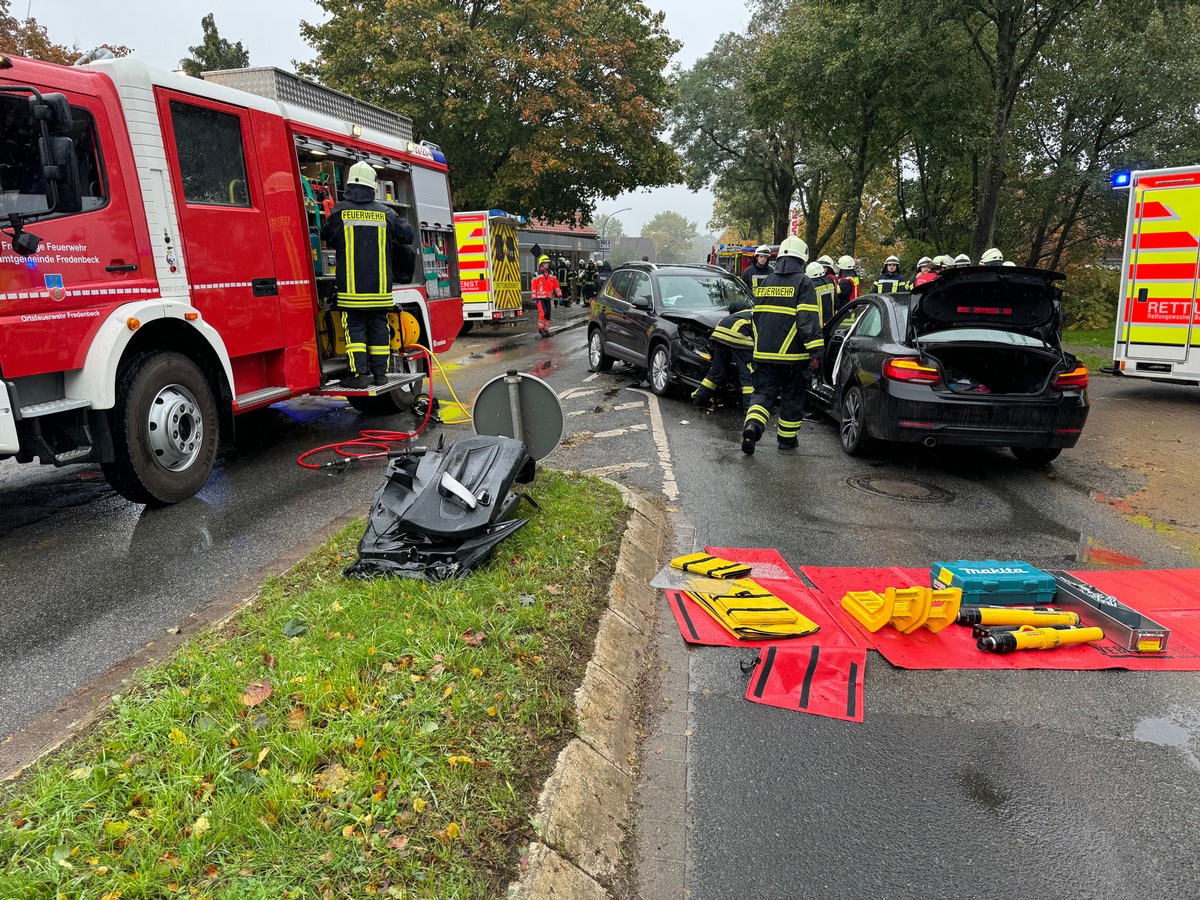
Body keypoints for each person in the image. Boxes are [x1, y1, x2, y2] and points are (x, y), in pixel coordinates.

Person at [321, 161, 414, 388]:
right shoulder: (386, 213)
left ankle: (359, 375)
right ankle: (381, 375)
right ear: (373, 187)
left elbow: (327, 236)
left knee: (355, 330)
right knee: (378, 329)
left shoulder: (340, 212)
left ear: (350, 185)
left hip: (352, 292)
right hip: (380, 291)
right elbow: (408, 235)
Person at [741, 235, 823, 455]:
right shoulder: (803, 282)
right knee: (792, 397)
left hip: (763, 354)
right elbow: (807, 320)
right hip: (793, 358)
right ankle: (786, 441)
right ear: (802, 258)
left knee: (762, 394)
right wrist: (816, 352)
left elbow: (755, 317)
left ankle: (753, 427)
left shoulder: (767, 280)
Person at [692, 296, 755, 412]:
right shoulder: (756, 314)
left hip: (718, 334)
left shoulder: (735, 315)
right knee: (747, 373)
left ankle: (700, 398)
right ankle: (749, 407)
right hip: (737, 336)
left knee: (717, 370)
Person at [531, 255, 562, 336]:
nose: (547, 265)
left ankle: (546, 330)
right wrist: (534, 297)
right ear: (541, 264)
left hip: (548, 298)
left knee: (548, 314)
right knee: (543, 313)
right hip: (540, 298)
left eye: (547, 263)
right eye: (545, 263)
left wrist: (559, 295)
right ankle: (541, 329)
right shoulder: (537, 274)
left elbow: (556, 285)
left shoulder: (551, 274)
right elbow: (533, 287)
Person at [807, 261, 837, 326]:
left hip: (816, 325)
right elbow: (836, 303)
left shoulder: (810, 286)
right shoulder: (830, 282)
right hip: (830, 323)